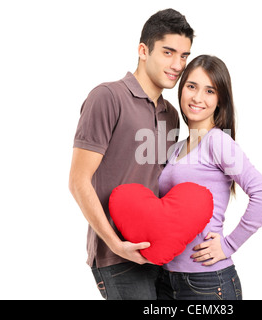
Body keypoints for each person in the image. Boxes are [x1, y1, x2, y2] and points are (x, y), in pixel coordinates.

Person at [68, 9, 194, 300]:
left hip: (161, 254)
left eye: (184, 56)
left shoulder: (171, 115)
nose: (177, 65)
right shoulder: (107, 97)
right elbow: (78, 181)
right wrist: (115, 244)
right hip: (118, 259)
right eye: (168, 52)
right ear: (143, 50)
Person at [157, 55, 262, 300]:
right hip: (167, 279)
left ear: (220, 100)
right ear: (181, 90)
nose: (197, 98)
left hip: (207, 283)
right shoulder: (177, 148)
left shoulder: (218, 141)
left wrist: (228, 245)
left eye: (209, 91)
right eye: (191, 87)